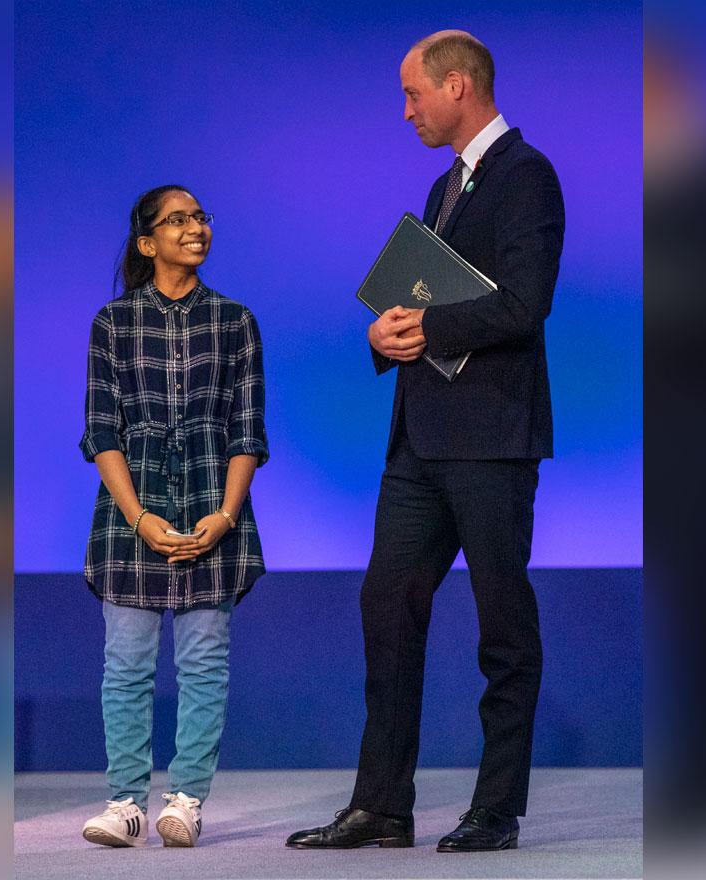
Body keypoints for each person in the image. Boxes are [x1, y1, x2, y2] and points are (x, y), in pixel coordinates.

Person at [286, 30, 564, 853]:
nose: (405, 111)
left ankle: (496, 809)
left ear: (456, 87)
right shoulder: (446, 185)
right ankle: (382, 806)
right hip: (419, 441)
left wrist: (428, 325)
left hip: (489, 440)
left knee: (501, 625)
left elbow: (525, 303)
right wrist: (388, 336)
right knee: (387, 607)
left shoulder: (526, 175)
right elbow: (429, 309)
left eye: (413, 95)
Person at [77, 185, 269, 848]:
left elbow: (248, 431)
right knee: (126, 663)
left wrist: (224, 514)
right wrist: (138, 518)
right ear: (147, 242)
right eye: (177, 220)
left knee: (204, 661)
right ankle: (126, 802)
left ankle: (186, 799)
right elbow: (102, 431)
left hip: (210, 514)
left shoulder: (236, 321)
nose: (195, 228)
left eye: (200, 217)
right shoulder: (113, 323)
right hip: (132, 521)